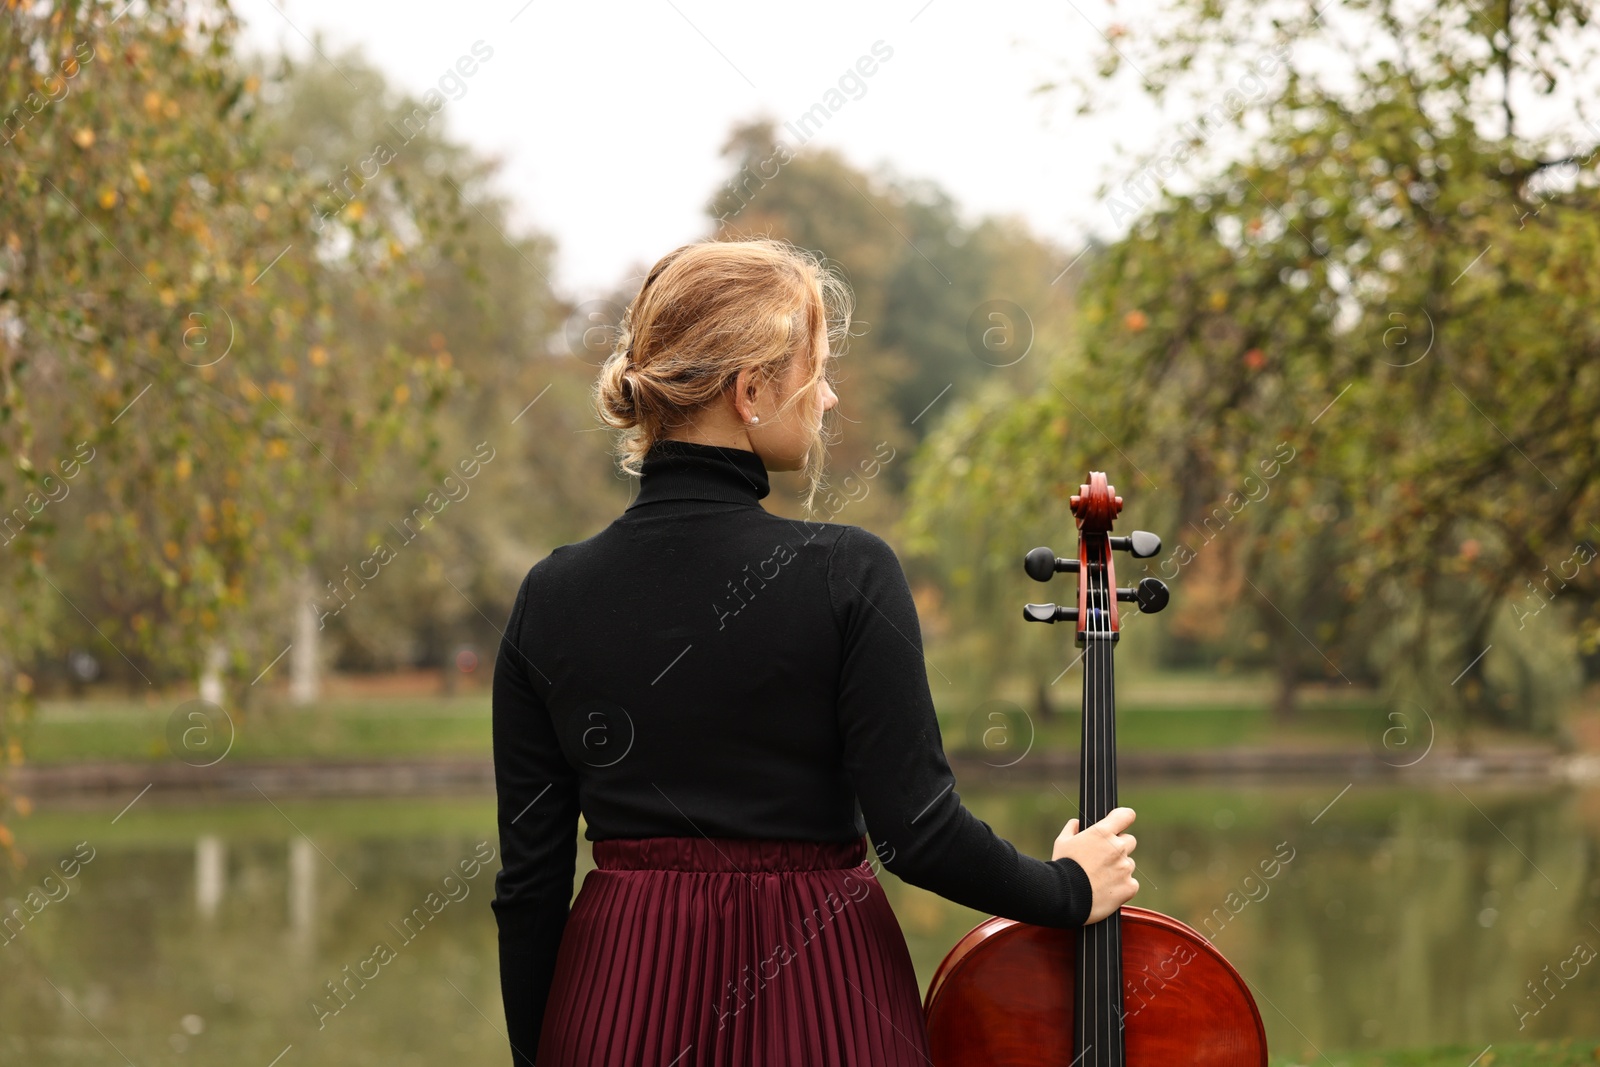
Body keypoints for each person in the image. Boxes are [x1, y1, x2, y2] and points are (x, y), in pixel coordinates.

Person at [490, 237, 1140, 1067]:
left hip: (617, 997)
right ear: (751, 390)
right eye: (818, 369)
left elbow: (530, 887)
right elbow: (918, 832)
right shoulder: (847, 572)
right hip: (818, 992)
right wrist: (1066, 887)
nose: (829, 397)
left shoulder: (551, 594)